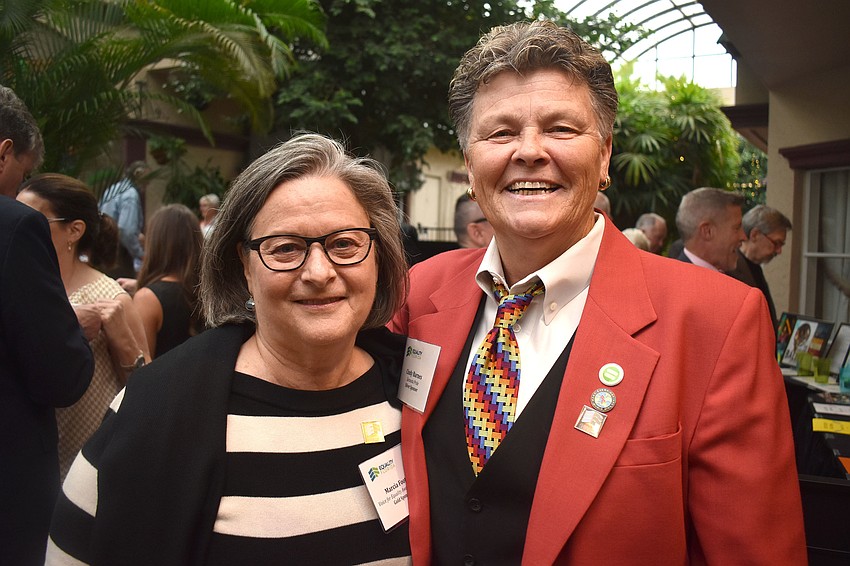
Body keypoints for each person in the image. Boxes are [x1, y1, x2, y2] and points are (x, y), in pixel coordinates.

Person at [389, 20, 806, 563]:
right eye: (499, 133)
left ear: (605, 155)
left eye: (561, 128)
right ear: (470, 163)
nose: (529, 151)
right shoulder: (420, 292)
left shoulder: (716, 320)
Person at [47, 133, 412, 565]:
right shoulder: (158, 409)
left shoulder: (414, 387)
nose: (318, 271)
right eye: (286, 248)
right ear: (243, 264)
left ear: (378, 254)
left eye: (345, 244)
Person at [0, 85, 94, 566]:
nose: (20, 188)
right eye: (24, 173)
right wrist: (75, 332)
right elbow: (58, 374)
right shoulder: (15, 226)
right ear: (4, 152)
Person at [17, 173, 151, 480]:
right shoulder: (20, 287)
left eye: (34, 219)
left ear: (74, 230)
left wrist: (123, 342)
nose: (19, 226)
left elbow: (147, 392)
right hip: (26, 461)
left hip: (88, 461)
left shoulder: (109, 297)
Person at [133, 204, 204, 358]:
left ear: (155, 243)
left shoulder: (149, 299)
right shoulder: (208, 290)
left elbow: (141, 369)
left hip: (165, 381)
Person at [727, 204, 792, 329]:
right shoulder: (730, 268)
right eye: (776, 243)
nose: (779, 251)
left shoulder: (754, 266)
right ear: (755, 235)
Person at [674, 187, 746, 272]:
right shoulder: (674, 282)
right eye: (737, 228)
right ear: (707, 232)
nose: (743, 237)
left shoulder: (730, 278)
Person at [99, 160, 148, 277]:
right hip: (119, 253)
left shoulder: (112, 189)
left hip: (103, 250)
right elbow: (126, 231)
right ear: (138, 174)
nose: (148, 183)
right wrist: (140, 254)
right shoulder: (131, 194)